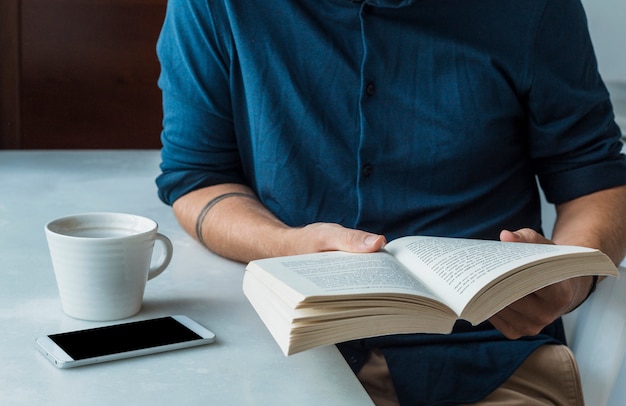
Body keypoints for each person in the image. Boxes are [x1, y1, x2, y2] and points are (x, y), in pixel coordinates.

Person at [155, 0, 626, 404]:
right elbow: (199, 177)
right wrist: (285, 243)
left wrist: (570, 280)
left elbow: (595, 176)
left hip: (488, 358)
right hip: (284, 352)